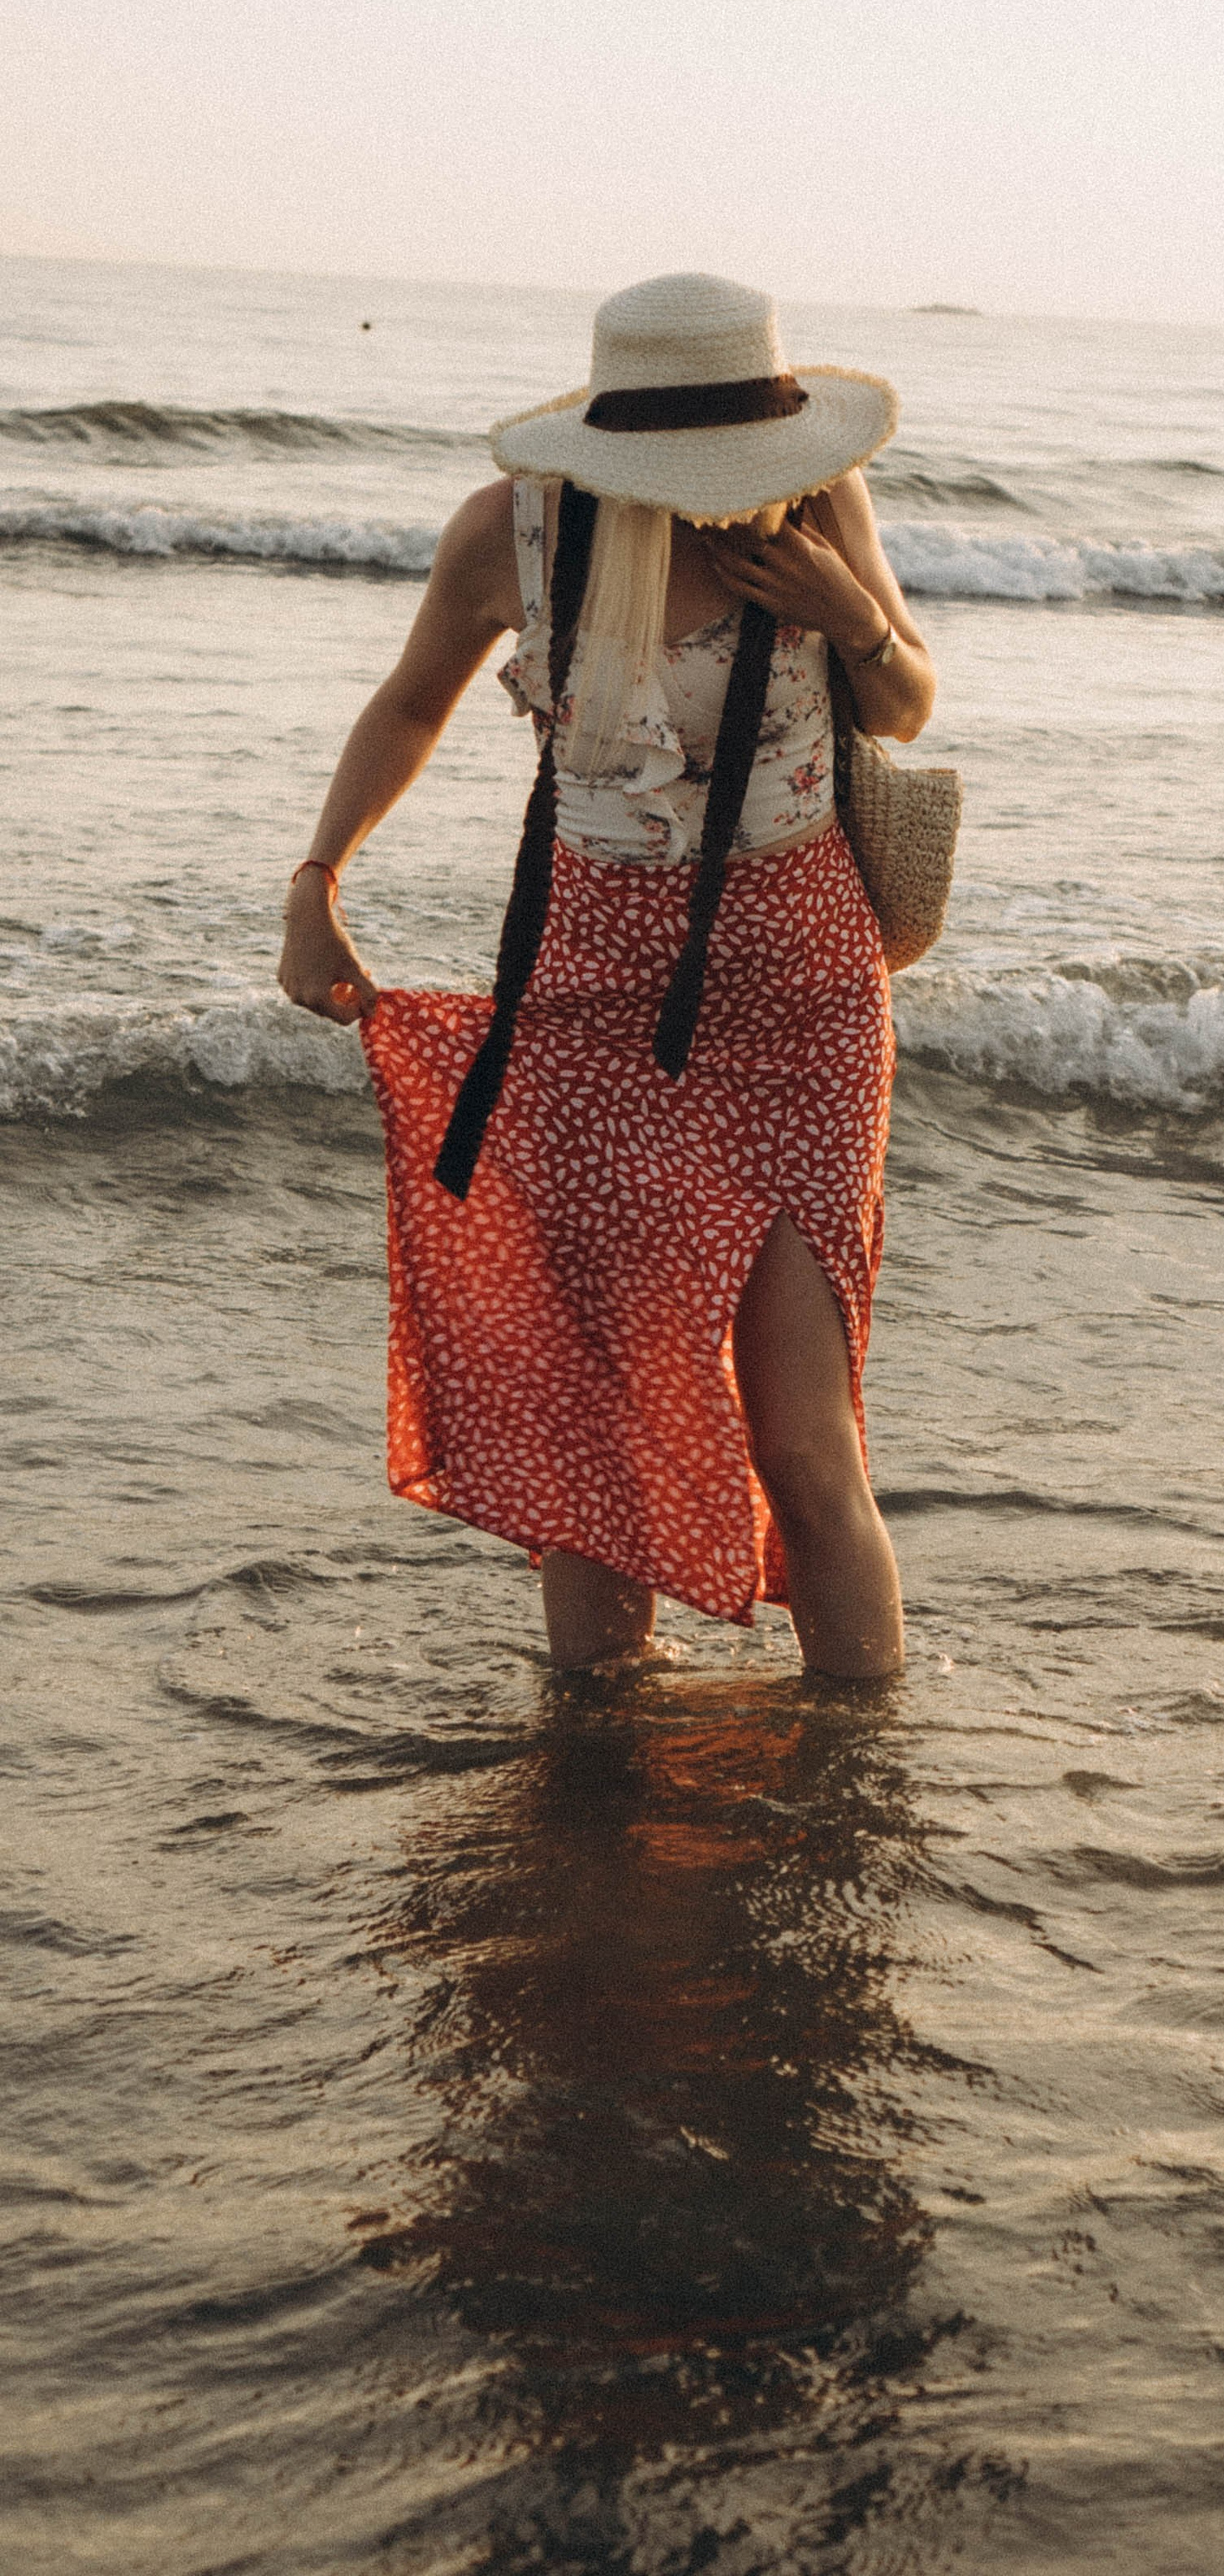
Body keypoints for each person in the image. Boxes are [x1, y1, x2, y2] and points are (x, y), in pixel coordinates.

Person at [277, 274, 935, 1678]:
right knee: (591, 1408)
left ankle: (864, 1790)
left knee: (805, 1434)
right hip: (588, 993)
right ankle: (594, 1761)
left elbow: (911, 701)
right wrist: (315, 885)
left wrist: (848, 612)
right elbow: (407, 703)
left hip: (804, 999)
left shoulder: (820, 512)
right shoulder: (511, 535)